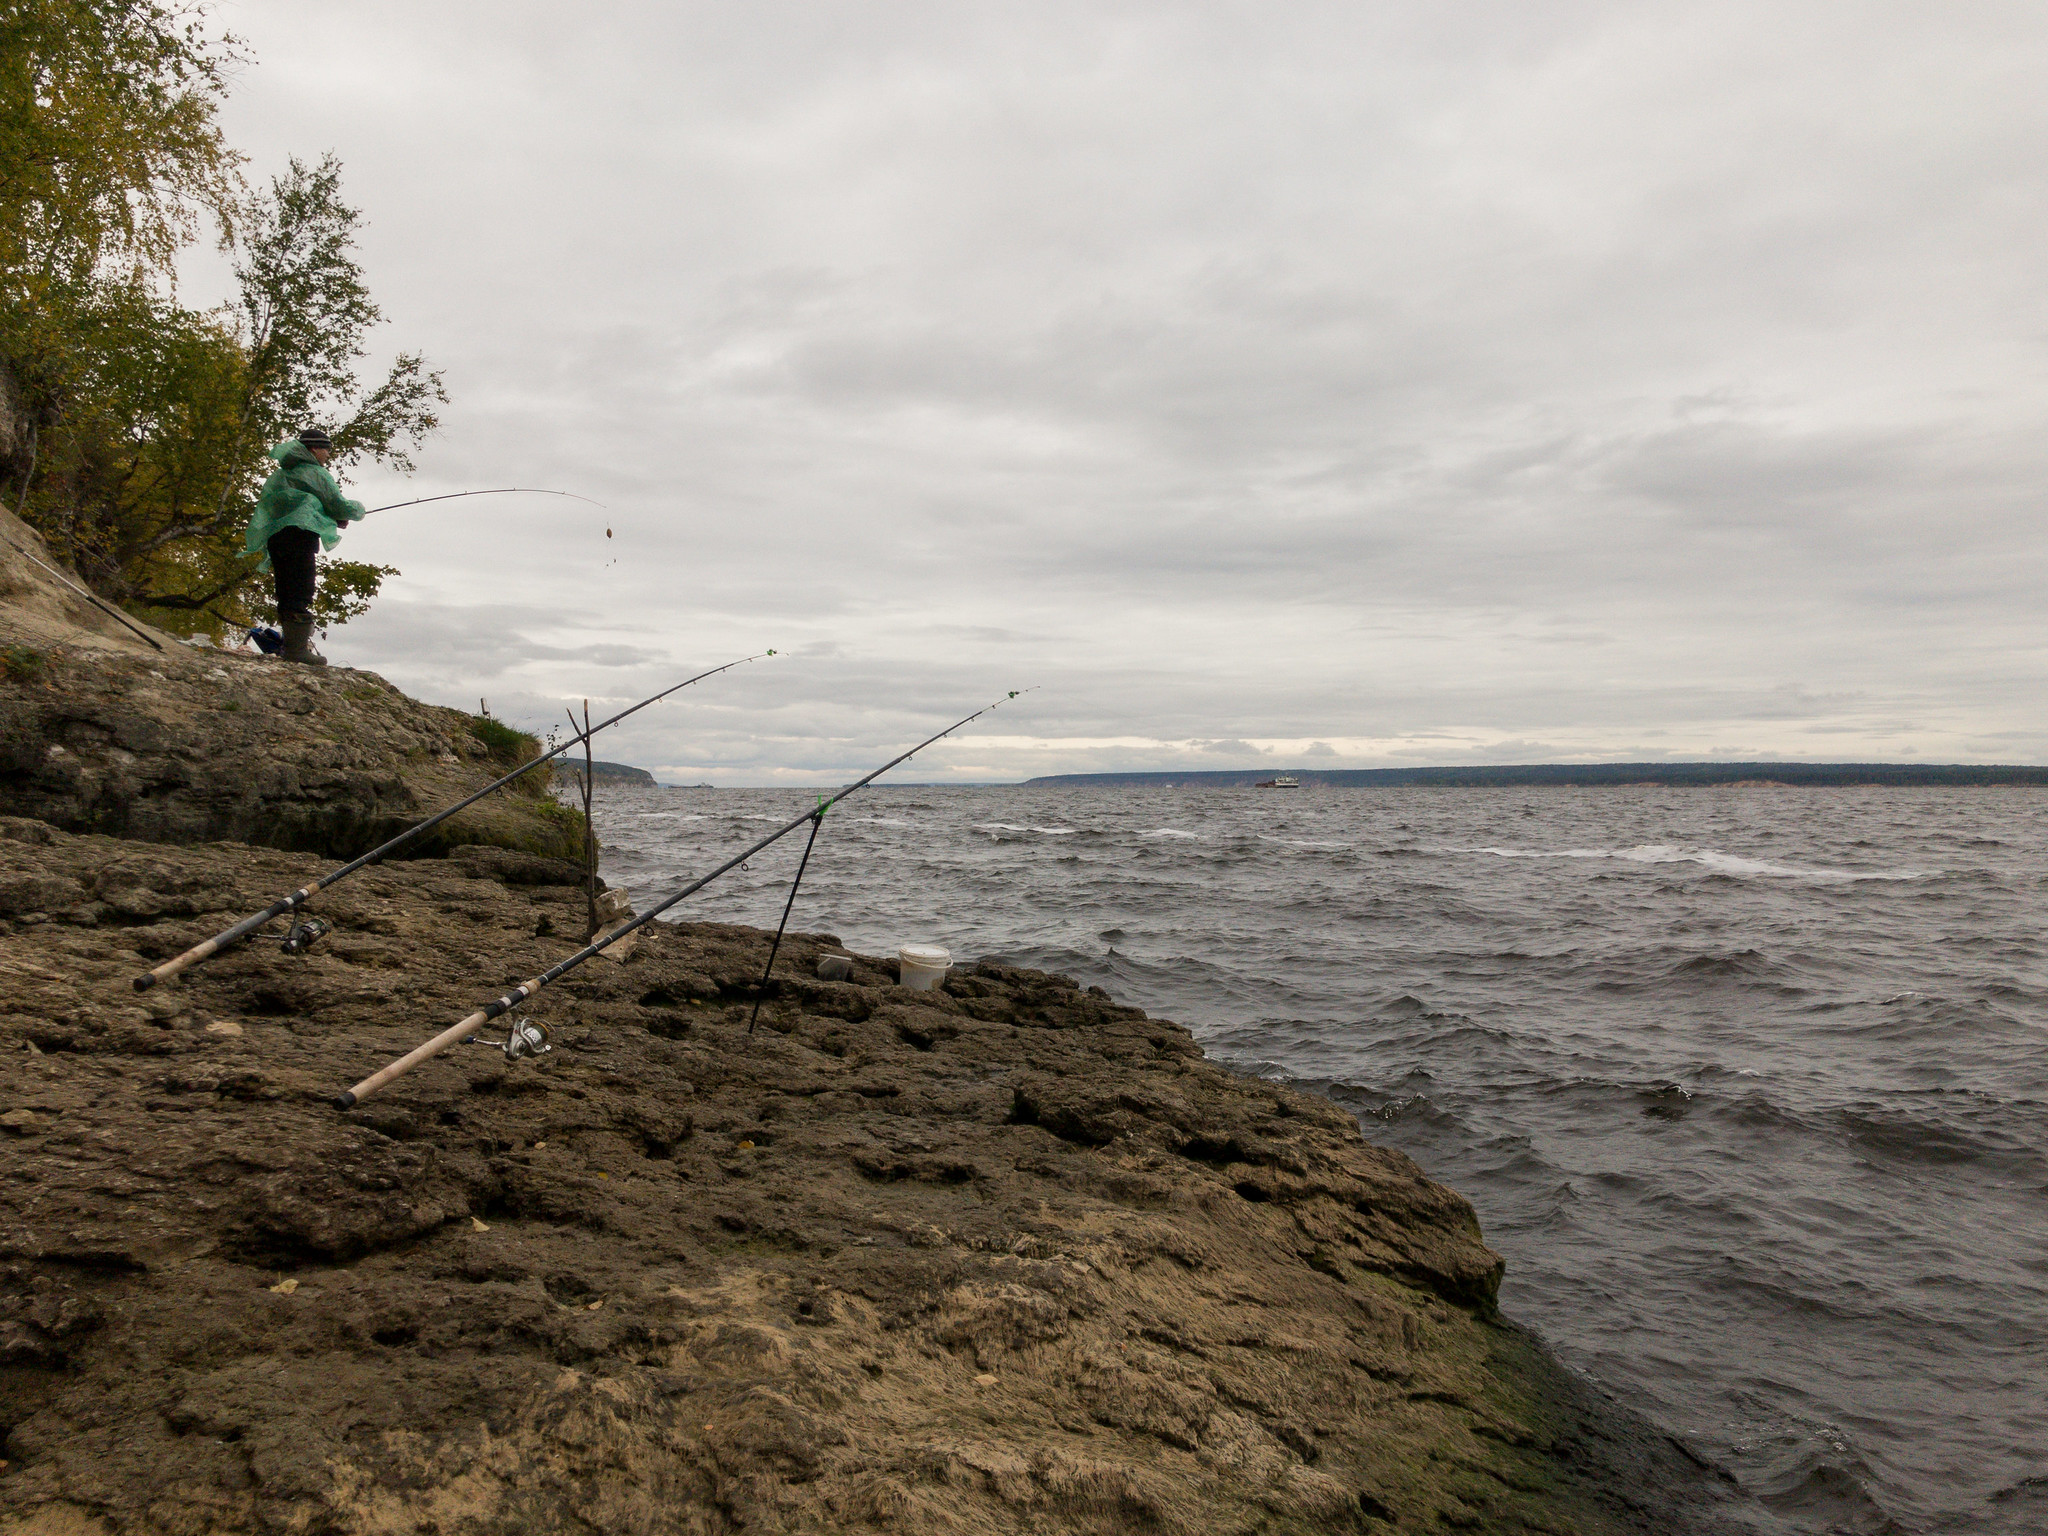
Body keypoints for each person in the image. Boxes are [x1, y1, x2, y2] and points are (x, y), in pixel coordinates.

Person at [243, 429, 366, 666]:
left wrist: (327, 515)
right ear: (312, 449)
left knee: (286, 589)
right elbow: (337, 504)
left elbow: (286, 505)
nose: (328, 454)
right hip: (300, 537)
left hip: (276, 537)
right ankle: (296, 651)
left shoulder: (280, 475)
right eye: (326, 449)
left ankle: (292, 648)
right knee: (301, 589)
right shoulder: (316, 473)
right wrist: (357, 510)